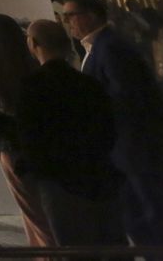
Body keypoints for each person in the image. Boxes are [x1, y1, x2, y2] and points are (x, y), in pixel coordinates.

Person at [63, 0, 163, 247]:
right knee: (151, 225)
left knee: (161, 226)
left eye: (70, 15)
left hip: (144, 154)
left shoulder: (111, 48)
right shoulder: (101, 47)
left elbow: (127, 100)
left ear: (91, 15)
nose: (67, 22)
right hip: (136, 154)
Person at [19, 18, 126, 248]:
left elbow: (31, 138)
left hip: (59, 183)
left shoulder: (31, 88)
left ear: (33, 44)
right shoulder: (88, 83)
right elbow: (107, 129)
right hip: (97, 175)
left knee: (74, 246)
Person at [0, 13, 54, 250]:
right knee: (42, 209)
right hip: (39, 142)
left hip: (10, 146)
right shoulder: (33, 64)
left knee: (31, 211)